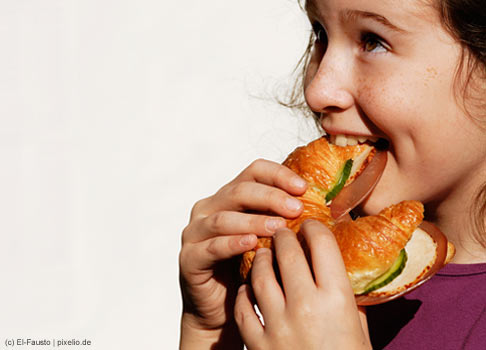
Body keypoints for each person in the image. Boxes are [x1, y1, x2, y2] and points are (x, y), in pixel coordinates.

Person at [179, 0, 486, 348]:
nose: (317, 91)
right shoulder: (309, 284)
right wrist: (212, 333)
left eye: (373, 41)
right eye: (320, 33)